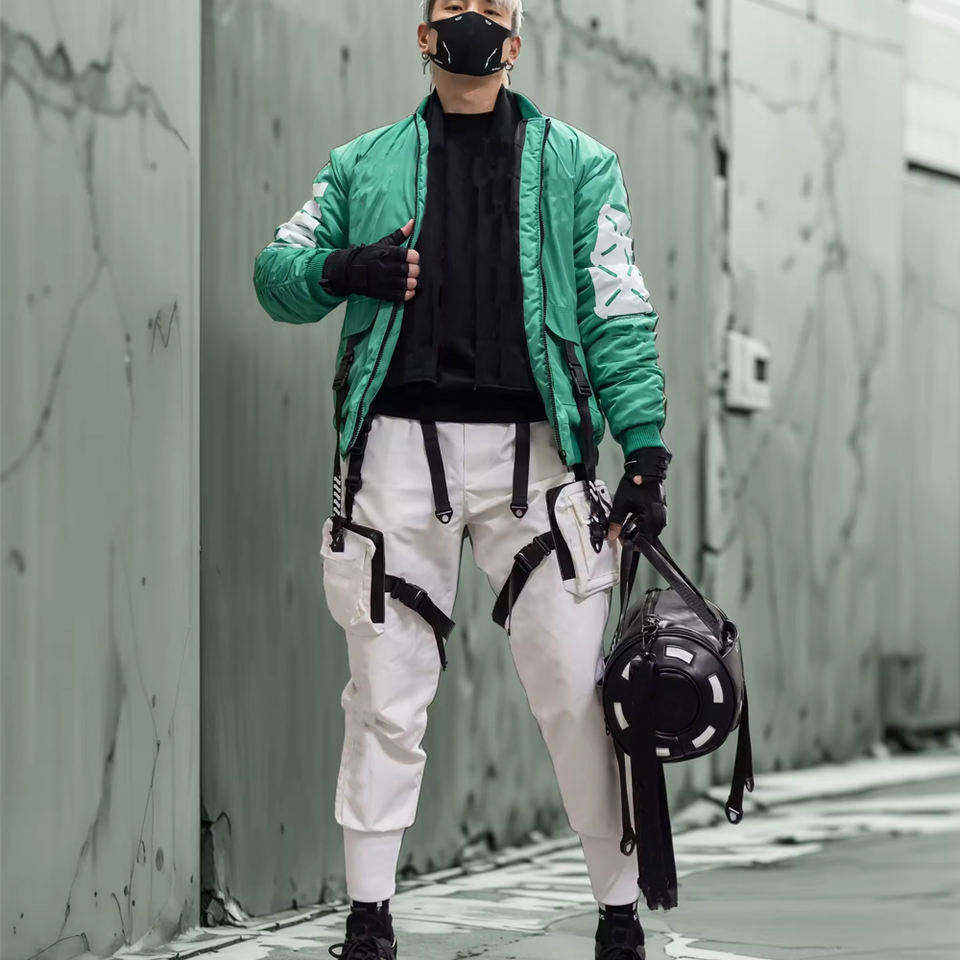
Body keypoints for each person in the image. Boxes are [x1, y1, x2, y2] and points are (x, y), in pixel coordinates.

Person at [253, 2, 672, 958]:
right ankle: (369, 919)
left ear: (515, 43)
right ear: (423, 35)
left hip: (541, 459)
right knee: (384, 693)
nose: (470, 22)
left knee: (577, 695)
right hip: (396, 455)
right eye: (451, 8)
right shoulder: (361, 164)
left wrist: (643, 451)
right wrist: (343, 269)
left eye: (489, 9)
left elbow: (616, 308)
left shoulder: (580, 166)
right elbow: (275, 273)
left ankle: (618, 914)